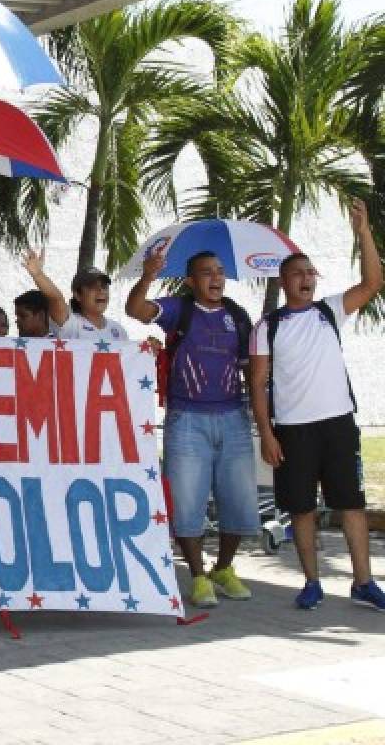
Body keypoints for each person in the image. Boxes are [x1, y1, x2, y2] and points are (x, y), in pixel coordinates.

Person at [251, 199, 385, 611]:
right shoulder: (267, 328)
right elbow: (256, 384)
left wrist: (363, 231)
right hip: (293, 430)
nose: (307, 278)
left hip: (339, 426)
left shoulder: (330, 311)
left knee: (352, 504)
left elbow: (373, 282)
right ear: (284, 280)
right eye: (298, 274)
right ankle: (312, 583)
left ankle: (363, 583)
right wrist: (268, 435)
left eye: (311, 272)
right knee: (302, 509)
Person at [126, 249, 259, 607]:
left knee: (240, 500)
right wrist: (148, 275)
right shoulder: (177, 310)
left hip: (234, 418)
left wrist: (261, 415)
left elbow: (251, 369)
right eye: (206, 272)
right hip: (186, 419)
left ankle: (224, 569)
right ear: (190, 281)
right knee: (186, 502)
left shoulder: (237, 315)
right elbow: (135, 310)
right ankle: (199, 577)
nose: (215, 278)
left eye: (219, 272)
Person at [23, 250, 129, 341]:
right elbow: (56, 299)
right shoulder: (71, 325)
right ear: (77, 294)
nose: (101, 290)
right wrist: (38, 274)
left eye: (104, 286)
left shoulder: (119, 331)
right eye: (92, 286)